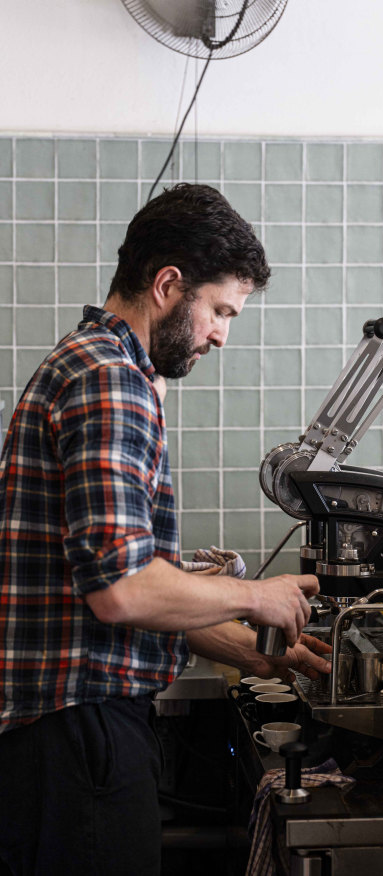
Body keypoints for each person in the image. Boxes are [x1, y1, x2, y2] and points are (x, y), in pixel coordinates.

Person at [0, 183, 330, 875]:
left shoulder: (99, 365)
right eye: (217, 310)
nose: (220, 333)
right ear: (168, 284)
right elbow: (123, 591)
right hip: (77, 740)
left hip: (68, 734)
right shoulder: (109, 381)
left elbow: (139, 591)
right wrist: (255, 597)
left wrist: (260, 655)